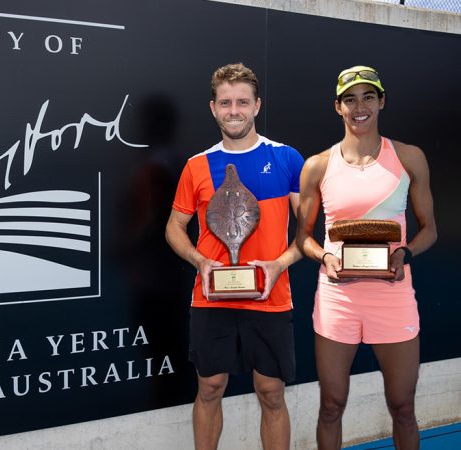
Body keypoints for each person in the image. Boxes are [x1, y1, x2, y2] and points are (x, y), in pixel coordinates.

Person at [297, 65, 437, 449]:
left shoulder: (410, 158)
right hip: (337, 299)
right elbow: (303, 239)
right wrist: (325, 258)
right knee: (331, 405)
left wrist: (404, 255)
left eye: (368, 97)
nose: (360, 107)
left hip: (392, 297)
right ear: (337, 107)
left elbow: (430, 230)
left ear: (381, 102)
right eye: (350, 99)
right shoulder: (317, 166)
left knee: (403, 406)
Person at [165, 63, 304, 450]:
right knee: (210, 386)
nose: (234, 110)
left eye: (242, 101)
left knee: (271, 391)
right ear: (213, 108)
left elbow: (309, 232)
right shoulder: (196, 166)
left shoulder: (288, 159)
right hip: (211, 296)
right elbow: (173, 227)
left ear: (257, 105)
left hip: (271, 297)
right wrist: (199, 261)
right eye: (225, 102)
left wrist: (279, 264)